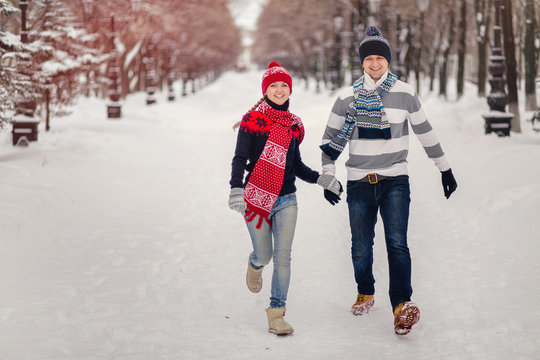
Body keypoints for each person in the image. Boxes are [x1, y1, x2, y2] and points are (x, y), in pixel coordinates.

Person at [320, 26, 458, 335]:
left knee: (397, 243)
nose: (374, 64)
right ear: (362, 63)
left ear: (388, 61)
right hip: (358, 182)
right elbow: (329, 143)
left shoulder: (406, 94)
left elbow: (425, 132)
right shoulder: (346, 98)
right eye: (368, 58)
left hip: (395, 178)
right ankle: (365, 290)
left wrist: (444, 168)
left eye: (379, 58)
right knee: (360, 247)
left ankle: (401, 306)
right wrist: (328, 178)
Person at [228, 61, 342, 336]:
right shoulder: (252, 122)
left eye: (283, 86)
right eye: (273, 86)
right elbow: (239, 158)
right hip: (254, 199)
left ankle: (276, 313)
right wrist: (235, 189)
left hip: (287, 199)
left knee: (282, 257)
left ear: (290, 90)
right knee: (265, 255)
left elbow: (296, 166)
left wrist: (321, 179)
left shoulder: (294, 125)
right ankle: (255, 263)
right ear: (265, 90)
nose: (279, 90)